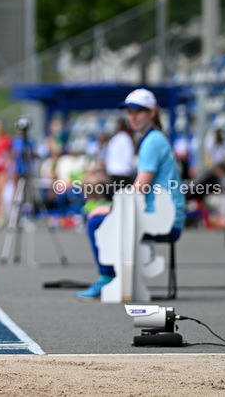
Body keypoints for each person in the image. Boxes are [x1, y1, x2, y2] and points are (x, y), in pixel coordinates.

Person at [78, 89, 186, 299]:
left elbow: (140, 189)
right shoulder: (153, 139)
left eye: (138, 111)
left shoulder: (152, 141)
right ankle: (113, 278)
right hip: (166, 215)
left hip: (165, 219)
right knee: (103, 219)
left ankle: (108, 279)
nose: (132, 117)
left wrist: (109, 208)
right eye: (129, 111)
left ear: (152, 112)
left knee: (95, 222)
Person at [104, 118, 135, 189]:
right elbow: (129, 156)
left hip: (115, 172)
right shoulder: (126, 138)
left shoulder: (115, 139)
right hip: (122, 172)